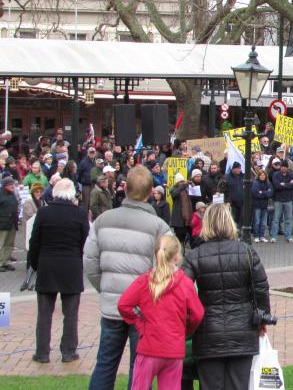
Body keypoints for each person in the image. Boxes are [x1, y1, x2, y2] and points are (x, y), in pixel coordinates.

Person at [84, 165, 172, 390]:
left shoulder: (104, 220)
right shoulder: (159, 227)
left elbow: (90, 262)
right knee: (138, 366)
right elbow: (167, 269)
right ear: (150, 192)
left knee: (106, 363)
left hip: (117, 304)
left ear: (125, 188)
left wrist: (106, 288)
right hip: (141, 307)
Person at [183, 204, 271, 390]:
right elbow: (261, 288)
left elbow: (182, 291)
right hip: (242, 330)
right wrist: (262, 317)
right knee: (239, 385)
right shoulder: (246, 251)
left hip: (207, 332)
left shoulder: (194, 256)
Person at [118, 235, 205, 390]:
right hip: (174, 350)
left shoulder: (145, 281)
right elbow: (197, 314)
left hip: (149, 348)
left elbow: (123, 304)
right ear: (177, 257)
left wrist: (139, 323)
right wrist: (185, 330)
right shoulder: (185, 284)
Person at [28, 178, 89, 363]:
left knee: (44, 314)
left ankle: (42, 353)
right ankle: (68, 352)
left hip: (47, 265)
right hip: (71, 266)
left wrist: (35, 265)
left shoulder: (44, 213)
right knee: (70, 314)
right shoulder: (80, 214)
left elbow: (34, 242)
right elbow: (85, 242)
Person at [270, 160, 293, 243]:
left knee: (288, 219)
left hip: (289, 200)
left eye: (285, 167)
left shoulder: (292, 175)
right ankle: (273, 236)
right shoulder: (275, 174)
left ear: (287, 168)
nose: (283, 168)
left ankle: (288, 236)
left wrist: (283, 184)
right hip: (278, 200)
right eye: (282, 167)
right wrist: (288, 184)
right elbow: (276, 186)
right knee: (276, 219)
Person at [0, 177, 18, 272]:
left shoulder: (12, 194)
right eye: (11, 184)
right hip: (3, 223)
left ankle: (5, 262)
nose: (13, 186)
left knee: (10, 244)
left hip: (12, 223)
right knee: (2, 243)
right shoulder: (1, 194)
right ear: (5, 185)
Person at [251, 169, 274, 243]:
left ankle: (262, 236)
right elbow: (255, 193)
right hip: (257, 205)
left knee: (263, 222)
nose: (262, 176)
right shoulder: (255, 183)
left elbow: (271, 193)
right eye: (261, 175)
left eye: (264, 175)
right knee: (257, 221)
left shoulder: (268, 183)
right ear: (258, 176)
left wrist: (262, 192)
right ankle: (256, 236)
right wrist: (266, 192)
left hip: (265, 205)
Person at [170, 173, 193, 245]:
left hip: (186, 219)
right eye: (181, 181)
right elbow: (174, 194)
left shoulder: (185, 189)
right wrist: (183, 186)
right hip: (178, 219)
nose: (182, 183)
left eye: (183, 181)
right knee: (179, 239)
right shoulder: (173, 189)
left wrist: (192, 184)